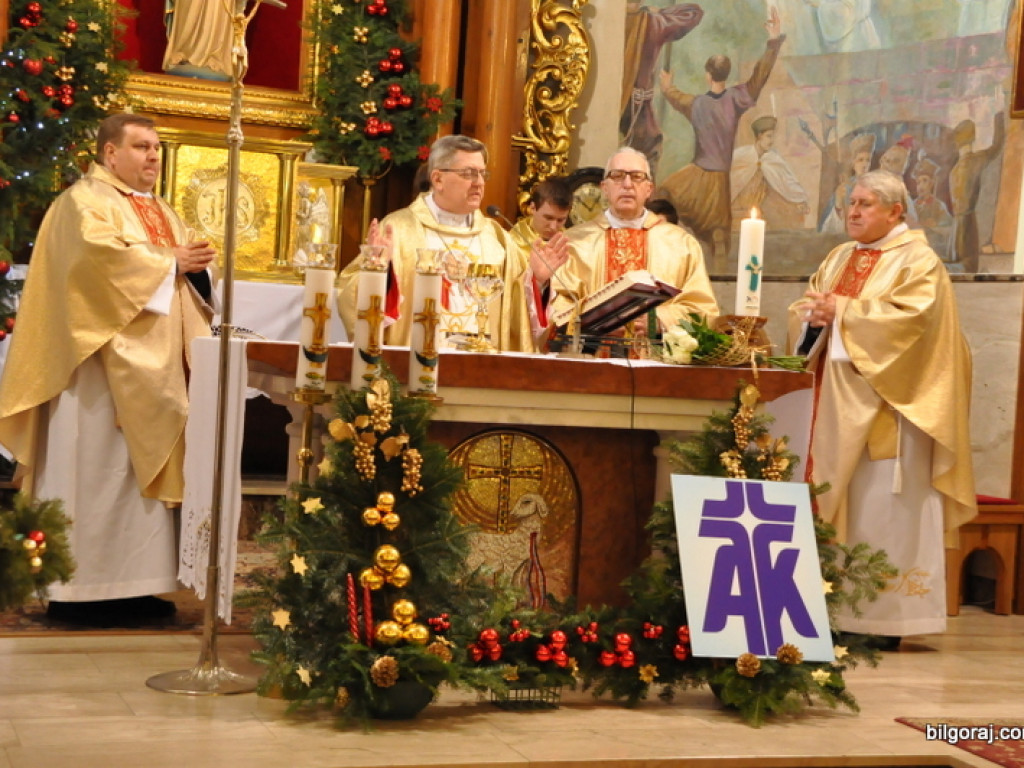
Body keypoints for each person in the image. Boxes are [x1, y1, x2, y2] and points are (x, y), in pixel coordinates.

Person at [0, 113, 217, 625]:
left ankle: (139, 588)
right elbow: (94, 265)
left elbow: (184, 276)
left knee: (133, 480)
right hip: (93, 372)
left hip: (152, 371)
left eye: (158, 148)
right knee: (91, 469)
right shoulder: (83, 202)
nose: (153, 157)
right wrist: (170, 262)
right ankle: (74, 590)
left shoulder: (160, 209)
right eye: (141, 147)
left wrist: (195, 267)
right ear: (109, 153)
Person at [788, 169, 976, 647]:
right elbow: (809, 307)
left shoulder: (919, 262)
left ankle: (883, 623)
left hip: (890, 412)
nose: (852, 211)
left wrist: (844, 314)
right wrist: (811, 317)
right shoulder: (839, 257)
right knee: (838, 503)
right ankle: (829, 610)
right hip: (833, 405)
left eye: (866, 204)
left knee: (880, 512)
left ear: (896, 211)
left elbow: (916, 325)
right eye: (850, 202)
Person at [337, 134, 568, 353]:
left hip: (481, 369)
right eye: (468, 174)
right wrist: (378, 272)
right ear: (438, 179)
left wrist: (538, 282)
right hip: (416, 363)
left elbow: (518, 317)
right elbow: (349, 295)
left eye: (482, 174)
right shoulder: (398, 230)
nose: (479, 183)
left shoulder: (496, 237)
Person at [656, 6, 785, 264]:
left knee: (665, 193)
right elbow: (759, 77)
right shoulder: (736, 99)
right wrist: (772, 42)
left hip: (697, 174)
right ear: (725, 74)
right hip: (719, 177)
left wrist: (667, 87)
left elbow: (675, 97)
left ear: (707, 74)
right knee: (718, 232)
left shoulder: (698, 104)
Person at [551, 147, 718, 345]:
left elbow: (703, 310)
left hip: (658, 364)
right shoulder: (575, 242)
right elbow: (556, 305)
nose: (627, 184)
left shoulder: (681, 244)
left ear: (649, 189)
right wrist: (599, 323)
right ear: (604, 187)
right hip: (592, 362)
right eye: (618, 176)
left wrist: (660, 320)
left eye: (637, 177)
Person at [620, 2, 704, 176]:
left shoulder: (615, 22)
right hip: (637, 112)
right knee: (647, 154)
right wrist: (659, 12)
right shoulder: (651, 22)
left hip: (621, 108)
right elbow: (693, 13)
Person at [730, 114, 810, 230]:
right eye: (769, 136)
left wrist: (801, 199)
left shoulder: (773, 159)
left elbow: (788, 182)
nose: (772, 141)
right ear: (759, 136)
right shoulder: (741, 156)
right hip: (737, 213)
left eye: (773, 137)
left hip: (762, 215)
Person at [508, 177, 573, 250]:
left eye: (560, 220)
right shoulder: (512, 243)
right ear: (532, 208)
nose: (553, 227)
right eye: (548, 218)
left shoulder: (571, 245)